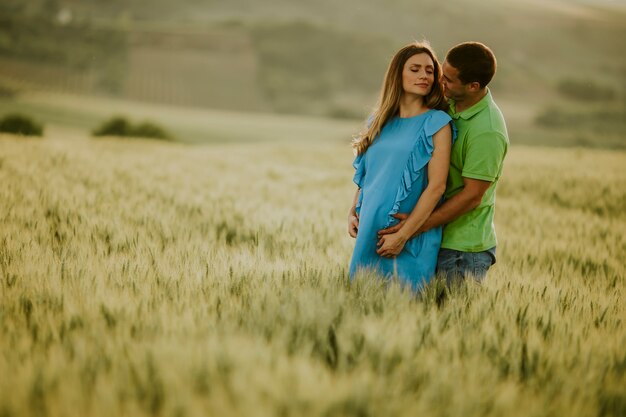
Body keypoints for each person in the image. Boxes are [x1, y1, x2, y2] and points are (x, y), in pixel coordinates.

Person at [378, 42, 509, 285]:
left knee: (451, 319)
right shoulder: (447, 102)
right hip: (431, 236)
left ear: (473, 86)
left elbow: (472, 196)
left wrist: (411, 229)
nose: (439, 81)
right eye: (441, 72)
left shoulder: (487, 131)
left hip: (462, 249)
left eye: (447, 79)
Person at [348, 41, 455, 290]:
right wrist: (353, 211)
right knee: (361, 303)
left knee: (406, 307)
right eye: (415, 69)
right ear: (398, 74)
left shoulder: (438, 122)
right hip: (369, 230)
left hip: (409, 236)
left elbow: (436, 187)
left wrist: (403, 235)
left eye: (430, 71)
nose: (424, 76)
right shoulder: (379, 120)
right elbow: (367, 175)